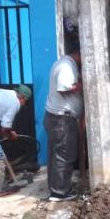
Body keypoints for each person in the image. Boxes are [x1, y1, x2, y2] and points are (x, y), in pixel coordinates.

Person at [44, 39, 84, 201]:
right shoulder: (66, 66)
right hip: (62, 119)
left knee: (57, 155)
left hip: (57, 117)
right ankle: (59, 192)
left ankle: (56, 189)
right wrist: (82, 86)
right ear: (79, 53)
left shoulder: (65, 64)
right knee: (65, 155)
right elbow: (64, 89)